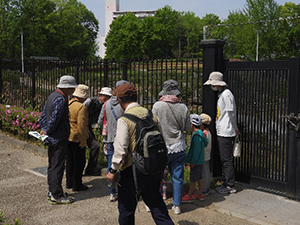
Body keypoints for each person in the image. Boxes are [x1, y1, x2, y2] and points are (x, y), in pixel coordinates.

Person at [106, 83, 174, 225]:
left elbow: (121, 149)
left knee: (126, 208)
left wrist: (113, 169)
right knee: (156, 203)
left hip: (132, 170)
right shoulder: (151, 114)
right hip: (153, 166)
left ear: (119, 100)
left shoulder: (125, 120)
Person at [152, 79, 191, 215]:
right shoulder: (183, 107)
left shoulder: (157, 106)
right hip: (179, 145)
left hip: (162, 146)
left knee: (156, 176)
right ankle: (177, 205)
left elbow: (153, 127)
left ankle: (153, 203)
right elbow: (187, 128)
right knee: (178, 176)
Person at [39, 75, 77, 204]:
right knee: (58, 167)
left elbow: (44, 114)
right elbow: (55, 118)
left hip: (51, 137)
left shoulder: (52, 95)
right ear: (67, 88)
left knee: (52, 165)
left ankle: (52, 190)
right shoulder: (61, 99)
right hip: (58, 138)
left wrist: (44, 129)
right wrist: (48, 130)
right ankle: (57, 195)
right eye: (72, 88)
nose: (73, 91)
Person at [204, 71, 240, 194]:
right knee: (225, 159)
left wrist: (235, 128)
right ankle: (227, 183)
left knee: (226, 159)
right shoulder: (223, 94)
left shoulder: (226, 94)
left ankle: (230, 185)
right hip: (223, 130)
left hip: (226, 130)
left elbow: (231, 113)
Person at [98, 81, 128, 202]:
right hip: (123, 138)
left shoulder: (106, 104)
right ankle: (123, 191)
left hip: (109, 139)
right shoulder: (125, 104)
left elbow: (100, 121)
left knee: (111, 165)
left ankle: (112, 192)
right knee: (125, 165)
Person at [83, 87, 112, 176]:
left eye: (109, 97)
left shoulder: (105, 105)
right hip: (82, 127)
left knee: (95, 146)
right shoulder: (90, 101)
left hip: (89, 127)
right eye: (106, 96)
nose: (107, 99)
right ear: (100, 95)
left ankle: (90, 169)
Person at [66, 84, 90, 192]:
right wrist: (83, 141)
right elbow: (81, 126)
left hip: (68, 135)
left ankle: (69, 182)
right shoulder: (81, 107)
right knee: (79, 162)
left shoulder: (69, 103)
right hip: (76, 137)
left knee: (70, 161)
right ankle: (77, 184)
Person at [182, 114, 208, 203]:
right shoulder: (201, 134)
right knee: (200, 178)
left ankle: (189, 195)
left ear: (192, 124)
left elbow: (196, 151)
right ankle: (200, 193)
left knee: (193, 179)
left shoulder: (196, 136)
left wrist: (192, 161)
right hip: (200, 161)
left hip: (196, 162)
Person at [200, 113, 212, 196]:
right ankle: (207, 187)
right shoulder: (208, 132)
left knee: (203, 173)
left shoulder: (203, 134)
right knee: (207, 171)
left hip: (203, 155)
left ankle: (204, 189)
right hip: (207, 154)